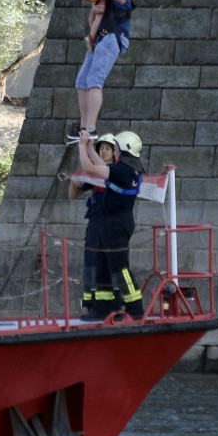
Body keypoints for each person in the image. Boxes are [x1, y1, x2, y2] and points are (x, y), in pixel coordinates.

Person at [77, 130, 145, 321]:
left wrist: (82, 146)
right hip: (111, 223)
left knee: (119, 267)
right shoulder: (128, 169)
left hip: (116, 224)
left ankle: (135, 308)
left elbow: (91, 169)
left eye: (114, 148)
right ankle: (103, 307)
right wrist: (91, 148)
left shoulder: (122, 170)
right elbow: (101, 165)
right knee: (102, 264)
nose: (113, 151)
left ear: (122, 150)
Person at [69, 0, 133, 143]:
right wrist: (93, 10)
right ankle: (84, 128)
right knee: (81, 81)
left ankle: (91, 128)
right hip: (98, 41)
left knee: (94, 79)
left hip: (112, 38)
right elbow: (92, 23)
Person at [67, 133, 116, 312]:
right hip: (95, 223)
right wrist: (74, 181)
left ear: (115, 152)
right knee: (91, 262)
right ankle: (90, 303)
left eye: (107, 149)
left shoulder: (118, 171)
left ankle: (108, 305)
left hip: (112, 225)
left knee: (108, 264)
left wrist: (85, 148)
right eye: (101, 148)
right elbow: (72, 195)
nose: (103, 152)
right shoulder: (94, 174)